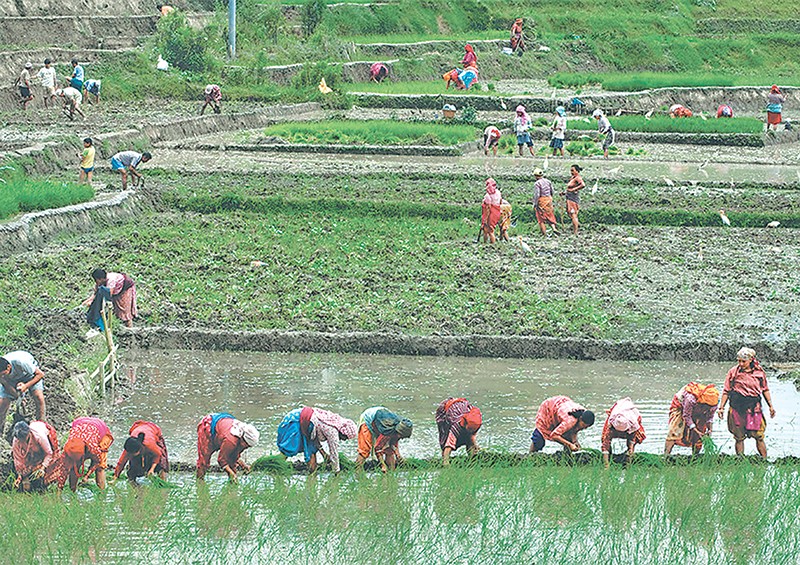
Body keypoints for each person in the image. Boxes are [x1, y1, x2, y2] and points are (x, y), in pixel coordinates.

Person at [717, 347, 775, 458]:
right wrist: (721, 408)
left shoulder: (759, 372)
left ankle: (764, 459)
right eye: (739, 361)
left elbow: (765, 389)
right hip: (737, 407)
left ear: (751, 360)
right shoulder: (733, 372)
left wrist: (771, 406)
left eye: (744, 361)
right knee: (738, 436)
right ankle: (740, 459)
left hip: (753, 408)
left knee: (759, 435)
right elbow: (726, 390)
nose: (741, 364)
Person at [54, 416, 114, 491]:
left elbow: (97, 462)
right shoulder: (68, 450)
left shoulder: (94, 449)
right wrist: (59, 490)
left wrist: (87, 475)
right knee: (74, 467)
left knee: (100, 468)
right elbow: (63, 472)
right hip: (80, 423)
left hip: (99, 428)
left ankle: (102, 493)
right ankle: (73, 491)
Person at [196, 412, 259, 482]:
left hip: (222, 426)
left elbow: (234, 456)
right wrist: (231, 473)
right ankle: (200, 484)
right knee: (203, 462)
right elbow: (221, 460)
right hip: (209, 427)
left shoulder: (241, 436)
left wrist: (243, 465)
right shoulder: (231, 441)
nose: (246, 448)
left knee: (232, 464)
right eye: (247, 446)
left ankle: (232, 487)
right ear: (243, 440)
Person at [664, 382, 718, 455]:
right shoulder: (690, 400)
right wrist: (694, 429)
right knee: (675, 430)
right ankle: (666, 455)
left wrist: (710, 429)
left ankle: (695, 456)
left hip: (696, 409)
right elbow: (686, 416)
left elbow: (710, 417)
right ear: (702, 404)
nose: (708, 409)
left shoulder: (713, 405)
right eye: (706, 407)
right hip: (681, 406)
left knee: (700, 433)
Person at [354, 406, 413, 472]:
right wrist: (382, 465)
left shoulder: (399, 428)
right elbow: (378, 448)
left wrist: (398, 456)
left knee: (390, 451)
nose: (401, 438)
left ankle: (391, 473)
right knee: (365, 450)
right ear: (398, 432)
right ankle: (357, 470)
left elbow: (394, 445)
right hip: (368, 419)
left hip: (381, 418)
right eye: (401, 436)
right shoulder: (387, 431)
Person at [0, 351, 46, 433]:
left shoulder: (21, 362)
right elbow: (6, 385)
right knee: (2, 404)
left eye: (3, 374)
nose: (1, 377)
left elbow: (40, 374)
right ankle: (0, 431)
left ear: (8, 367)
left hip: (29, 375)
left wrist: (25, 386)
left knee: (39, 397)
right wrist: (18, 397)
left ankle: (41, 427)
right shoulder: (2, 375)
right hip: (11, 380)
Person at [530, 396, 595, 453]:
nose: (583, 428)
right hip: (548, 408)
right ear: (580, 418)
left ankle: (567, 459)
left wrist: (575, 442)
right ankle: (530, 456)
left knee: (569, 440)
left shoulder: (584, 414)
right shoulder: (570, 421)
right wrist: (570, 445)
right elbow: (554, 435)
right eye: (583, 426)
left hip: (561, 408)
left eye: (586, 427)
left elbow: (574, 430)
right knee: (539, 440)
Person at [11, 420, 59, 492]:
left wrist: (43, 467)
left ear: (29, 433)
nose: (21, 442)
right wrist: (20, 476)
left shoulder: (39, 436)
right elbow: (18, 460)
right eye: (20, 440)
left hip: (45, 444)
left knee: (50, 471)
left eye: (23, 439)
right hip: (33, 453)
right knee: (29, 467)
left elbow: (49, 453)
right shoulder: (16, 440)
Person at [601, 398, 646, 468]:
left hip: (630, 425)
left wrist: (630, 453)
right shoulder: (611, 424)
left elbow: (632, 441)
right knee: (604, 438)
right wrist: (606, 465)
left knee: (637, 438)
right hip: (617, 419)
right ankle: (609, 456)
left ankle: (628, 457)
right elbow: (605, 444)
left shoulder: (633, 423)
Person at [436, 397, 482, 466]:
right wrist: (446, 462)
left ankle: (472, 460)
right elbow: (449, 445)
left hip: (461, 406)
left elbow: (471, 435)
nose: (471, 432)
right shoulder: (456, 426)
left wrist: (475, 445)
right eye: (470, 430)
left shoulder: (474, 419)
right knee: (445, 438)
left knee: (469, 440)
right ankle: (444, 459)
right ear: (465, 425)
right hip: (445, 409)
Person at [533, 168, 559, 237]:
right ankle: (554, 228)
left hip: (542, 200)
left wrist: (535, 204)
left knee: (541, 219)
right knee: (550, 214)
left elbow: (537, 195)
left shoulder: (537, 183)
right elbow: (552, 191)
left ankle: (544, 234)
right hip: (549, 199)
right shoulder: (548, 181)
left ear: (536, 176)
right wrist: (550, 198)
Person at [564, 164, 585, 235]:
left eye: (573, 170)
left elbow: (582, 185)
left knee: (573, 214)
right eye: (571, 170)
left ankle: (575, 232)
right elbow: (569, 188)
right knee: (570, 213)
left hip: (573, 198)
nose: (571, 172)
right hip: (569, 197)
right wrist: (564, 193)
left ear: (577, 171)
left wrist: (574, 189)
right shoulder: (573, 178)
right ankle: (576, 226)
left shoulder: (578, 178)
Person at [481, 177, 502, 244]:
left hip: (491, 214)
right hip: (497, 212)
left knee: (489, 230)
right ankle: (489, 244)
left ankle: (490, 244)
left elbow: (488, 208)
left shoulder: (487, 196)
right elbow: (500, 201)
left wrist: (485, 219)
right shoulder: (498, 193)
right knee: (491, 229)